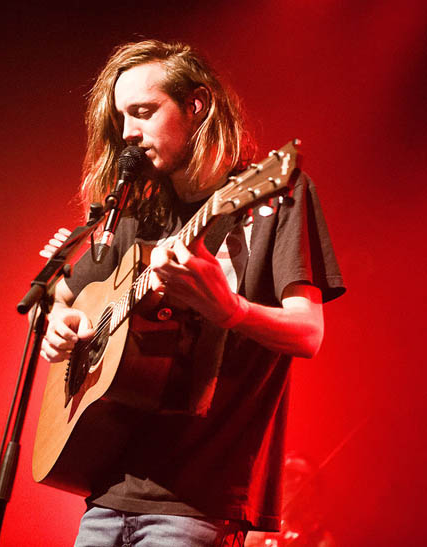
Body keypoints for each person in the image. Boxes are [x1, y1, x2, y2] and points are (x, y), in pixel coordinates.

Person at [39, 39, 345, 546]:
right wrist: (59, 324)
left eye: (143, 112)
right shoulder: (137, 210)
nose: (129, 134)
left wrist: (232, 310)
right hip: (107, 490)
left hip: (198, 501)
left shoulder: (277, 195)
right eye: (122, 118)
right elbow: (61, 295)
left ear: (196, 105)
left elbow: (309, 333)